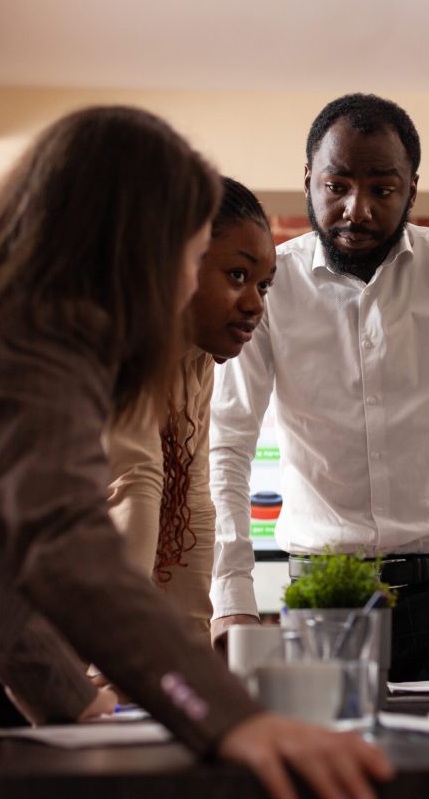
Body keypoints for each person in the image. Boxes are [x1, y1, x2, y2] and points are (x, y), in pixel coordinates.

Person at [0, 105, 392, 799]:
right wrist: (233, 720)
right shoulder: (40, 342)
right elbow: (63, 545)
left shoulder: (11, 319)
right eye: (189, 251)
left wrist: (65, 699)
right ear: (133, 241)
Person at [209, 93, 429, 681]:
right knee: (328, 766)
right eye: (336, 186)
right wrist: (231, 598)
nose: (355, 210)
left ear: (412, 189)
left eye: (382, 190)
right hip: (322, 599)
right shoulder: (271, 284)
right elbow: (229, 442)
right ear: (309, 179)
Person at [105, 176, 276, 644]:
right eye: (237, 276)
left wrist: (193, 649)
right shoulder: (117, 343)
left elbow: (193, 507)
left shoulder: (197, 357)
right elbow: (134, 490)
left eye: (264, 285)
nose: (255, 304)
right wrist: (118, 670)